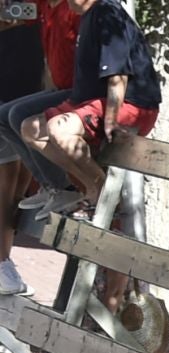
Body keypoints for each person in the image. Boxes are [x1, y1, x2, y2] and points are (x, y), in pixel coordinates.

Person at [18, 0, 161, 212]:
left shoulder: (107, 13)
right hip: (89, 103)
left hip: (130, 105)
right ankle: (93, 185)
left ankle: (103, 192)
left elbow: (118, 76)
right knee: (30, 129)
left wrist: (111, 119)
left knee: (59, 129)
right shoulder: (87, 15)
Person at [0, 0, 82, 295]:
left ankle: (5, 263)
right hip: (6, 86)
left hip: (30, 89)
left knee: (20, 184)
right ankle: (1, 264)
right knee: (5, 178)